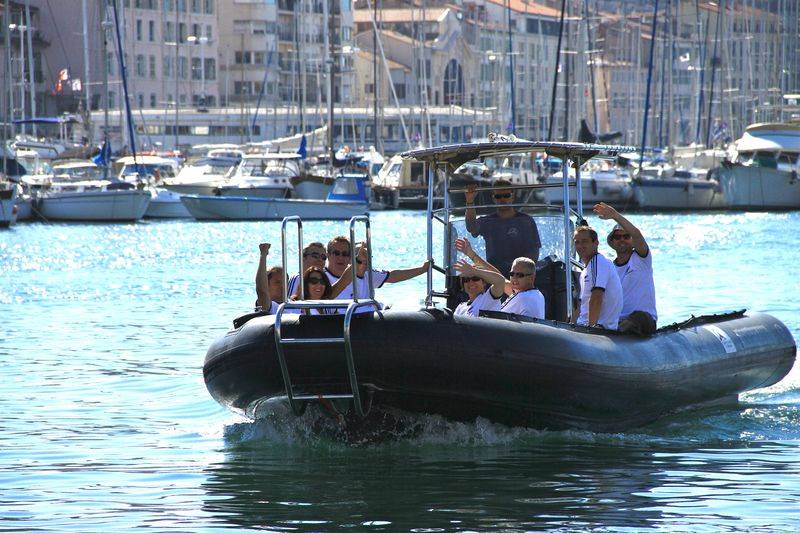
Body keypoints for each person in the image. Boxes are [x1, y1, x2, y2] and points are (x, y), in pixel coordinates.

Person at [593, 202, 657, 335]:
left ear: (632, 240)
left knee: (638, 317)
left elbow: (637, 235)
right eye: (617, 237)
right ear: (612, 242)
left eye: (626, 236)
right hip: (618, 321)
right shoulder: (610, 268)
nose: (622, 239)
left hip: (643, 320)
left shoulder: (641, 258)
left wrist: (614, 215)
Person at [325, 237, 430, 309]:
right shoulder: (320, 278)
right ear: (328, 255)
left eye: (345, 254)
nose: (341, 257)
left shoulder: (367, 274)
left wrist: (422, 269)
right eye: (336, 253)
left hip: (369, 320)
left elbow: (393, 276)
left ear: (350, 257)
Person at [464, 179, 541, 276]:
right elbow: (471, 227)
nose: (502, 199)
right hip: (495, 276)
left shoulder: (526, 221)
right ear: (493, 199)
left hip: (520, 275)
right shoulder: (488, 221)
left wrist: (520, 274)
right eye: (498, 196)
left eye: (506, 195)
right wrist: (470, 201)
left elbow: (534, 252)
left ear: (512, 197)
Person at [456, 238, 545, 319]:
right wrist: (471, 254)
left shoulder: (528, 297)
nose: (514, 278)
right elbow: (499, 277)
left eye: (520, 275)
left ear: (531, 278)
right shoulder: (522, 293)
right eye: (512, 274)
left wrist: (474, 271)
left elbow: (499, 280)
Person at [573, 225, 623, 329]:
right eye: (577, 242)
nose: (580, 246)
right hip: (583, 326)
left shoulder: (598, 262)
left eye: (584, 241)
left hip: (598, 328)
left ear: (596, 243)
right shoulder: (585, 270)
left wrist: (591, 330)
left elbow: (597, 296)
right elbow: (581, 305)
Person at [255, 243, 285, 314]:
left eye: (285, 283)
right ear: (267, 285)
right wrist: (263, 255)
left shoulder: (296, 304)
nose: (282, 286)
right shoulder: (271, 307)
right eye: (277, 282)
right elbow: (262, 291)